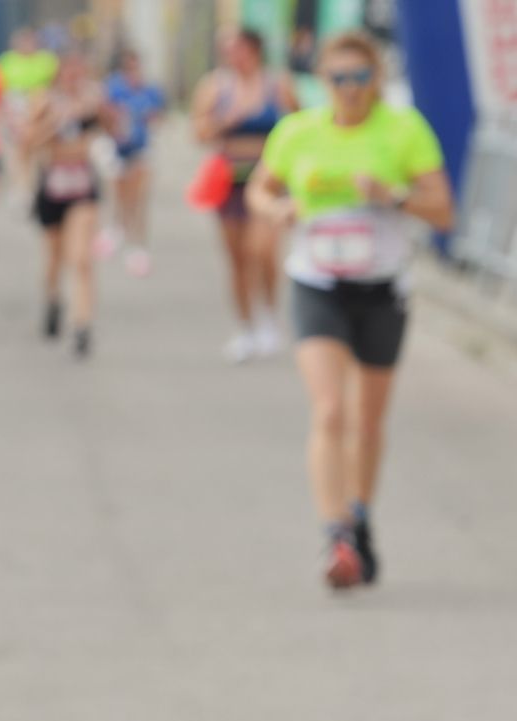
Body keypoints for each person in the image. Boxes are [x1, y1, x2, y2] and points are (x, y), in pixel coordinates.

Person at [246, 30, 454, 589]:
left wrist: (394, 196)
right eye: (338, 78)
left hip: (381, 288)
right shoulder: (297, 132)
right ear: (322, 80)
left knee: (367, 421)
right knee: (331, 410)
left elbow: (443, 212)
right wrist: (277, 207)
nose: (350, 89)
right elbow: (258, 191)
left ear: (375, 79)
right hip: (317, 284)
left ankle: (360, 515)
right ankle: (334, 531)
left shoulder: (403, 130)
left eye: (360, 77)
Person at [192, 27, 297, 363]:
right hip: (230, 180)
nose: (233, 56)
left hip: (266, 179)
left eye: (238, 49)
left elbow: (300, 126)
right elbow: (200, 132)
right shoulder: (215, 87)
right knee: (236, 256)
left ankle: (268, 314)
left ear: (254, 50)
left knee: (262, 250)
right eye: (228, 50)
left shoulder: (276, 85)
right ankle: (246, 325)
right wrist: (226, 120)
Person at [23, 48, 112, 358]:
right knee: (54, 257)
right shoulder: (44, 100)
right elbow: (29, 141)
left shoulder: (94, 99)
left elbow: (114, 132)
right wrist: (57, 120)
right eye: (69, 71)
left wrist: (102, 111)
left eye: (80, 71)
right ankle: (53, 300)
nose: (74, 78)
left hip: (83, 188)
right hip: (53, 188)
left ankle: (82, 325)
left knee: (82, 259)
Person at [103, 48, 165, 277]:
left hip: (142, 149)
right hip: (118, 150)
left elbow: (158, 117)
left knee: (139, 200)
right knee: (122, 198)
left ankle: (137, 248)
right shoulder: (113, 88)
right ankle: (117, 229)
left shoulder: (150, 90)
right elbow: (104, 114)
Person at [0, 27, 58, 192]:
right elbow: (0, 90)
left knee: (37, 147)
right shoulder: (6, 61)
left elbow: (54, 86)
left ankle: (36, 182)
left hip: (41, 110)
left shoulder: (47, 60)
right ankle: (22, 183)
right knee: (20, 148)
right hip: (15, 110)